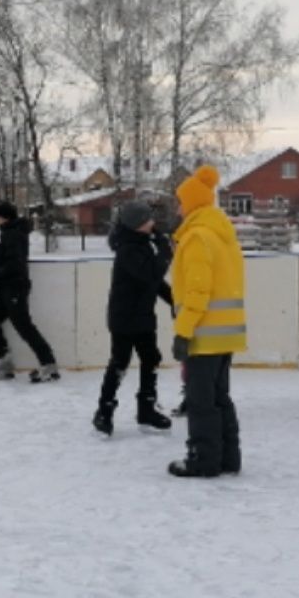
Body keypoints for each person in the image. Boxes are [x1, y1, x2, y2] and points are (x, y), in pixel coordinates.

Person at [167, 166, 246, 478]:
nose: (177, 208)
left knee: (200, 402)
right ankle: (228, 458)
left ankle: (204, 460)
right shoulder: (221, 234)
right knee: (219, 398)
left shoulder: (197, 237)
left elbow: (199, 290)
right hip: (225, 334)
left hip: (204, 332)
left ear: (192, 203)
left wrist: (183, 331)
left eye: (180, 201)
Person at [93, 200, 173, 436]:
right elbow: (150, 274)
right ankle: (104, 411)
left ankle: (146, 410)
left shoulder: (142, 244)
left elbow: (155, 281)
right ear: (137, 224)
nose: (153, 222)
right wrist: (166, 250)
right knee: (120, 362)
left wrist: (175, 300)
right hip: (125, 318)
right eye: (148, 219)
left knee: (151, 358)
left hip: (143, 315)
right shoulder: (128, 248)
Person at [0, 201, 59, 383]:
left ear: (4, 217)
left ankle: (48, 364)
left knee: (24, 326)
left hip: (15, 286)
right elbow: (3, 255)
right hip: (5, 287)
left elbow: (15, 262)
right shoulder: (6, 233)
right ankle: (4, 359)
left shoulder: (14, 235)